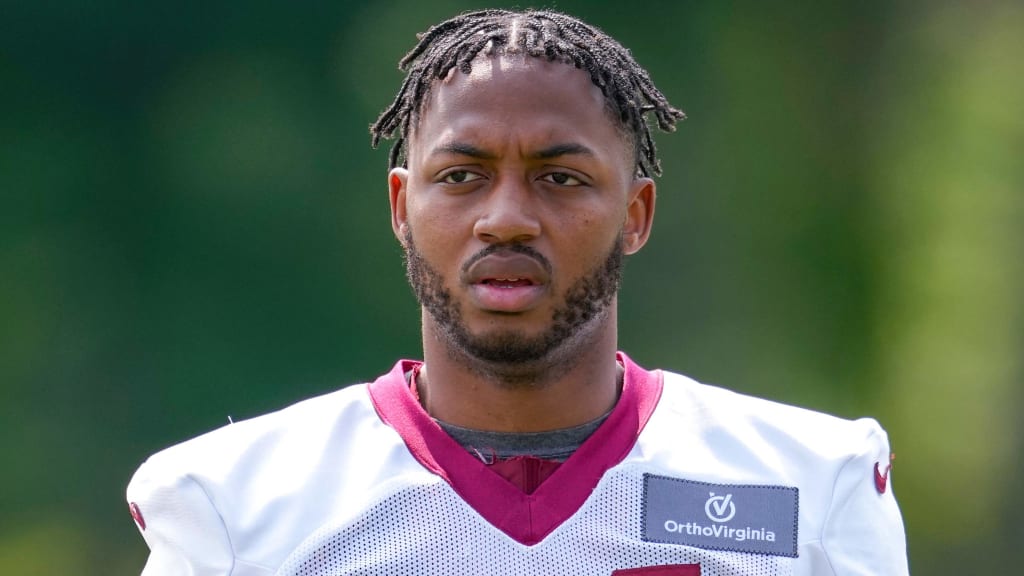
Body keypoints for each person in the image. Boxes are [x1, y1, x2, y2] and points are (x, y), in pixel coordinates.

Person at [126, 9, 909, 576]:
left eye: (559, 178)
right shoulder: (238, 504)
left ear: (634, 215)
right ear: (402, 207)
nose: (505, 219)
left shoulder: (804, 485)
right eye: (461, 177)